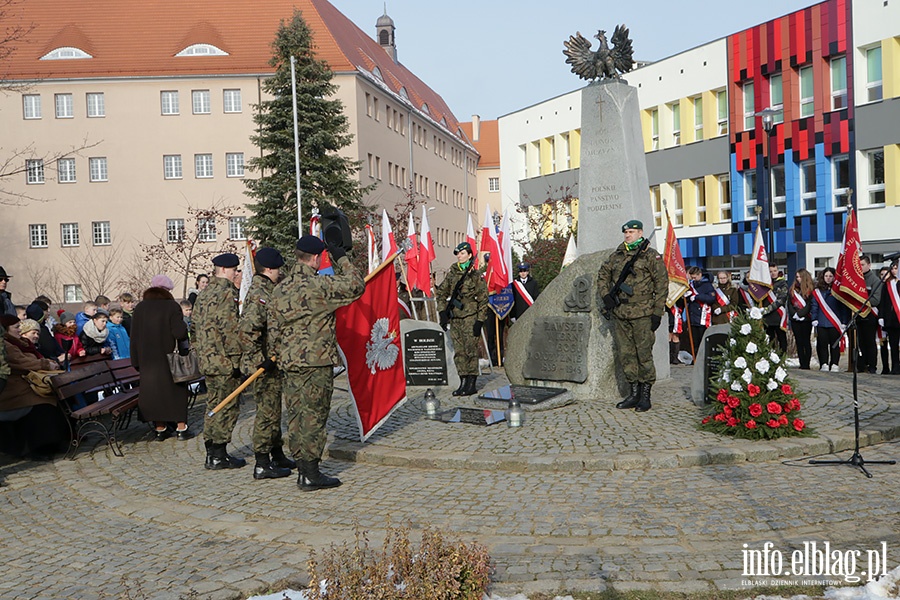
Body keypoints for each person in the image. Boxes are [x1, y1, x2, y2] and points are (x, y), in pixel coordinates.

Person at [269, 235, 364, 491]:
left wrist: (276, 354)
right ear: (316, 258)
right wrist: (341, 257)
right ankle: (310, 473)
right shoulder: (319, 286)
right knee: (313, 417)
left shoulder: (280, 288)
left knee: (297, 416)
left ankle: (302, 468)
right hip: (315, 362)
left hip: (289, 362)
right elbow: (356, 285)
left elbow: (273, 328)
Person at [597, 220, 667, 412]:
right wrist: (606, 295)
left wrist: (657, 313)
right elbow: (603, 275)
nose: (628, 235)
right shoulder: (617, 256)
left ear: (640, 233)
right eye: (626, 232)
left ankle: (645, 395)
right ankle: (633, 393)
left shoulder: (651, 256)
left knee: (643, 354)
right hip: (621, 313)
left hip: (643, 313)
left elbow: (662, 285)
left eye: (632, 232)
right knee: (626, 354)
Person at [239, 247, 295, 480]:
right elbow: (247, 329)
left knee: (274, 411)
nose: (280, 273)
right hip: (263, 367)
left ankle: (276, 453)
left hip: (271, 363)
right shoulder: (260, 293)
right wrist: (257, 360)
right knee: (267, 414)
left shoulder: (267, 289)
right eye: (278, 269)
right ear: (269, 269)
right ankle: (262, 462)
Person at [193, 255, 246, 469]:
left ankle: (211, 452)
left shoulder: (203, 294)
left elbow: (195, 327)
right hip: (224, 360)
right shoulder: (227, 293)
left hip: (208, 359)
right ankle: (219, 454)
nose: (236, 273)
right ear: (223, 269)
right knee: (227, 406)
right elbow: (230, 329)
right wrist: (236, 361)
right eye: (234, 269)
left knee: (213, 405)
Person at [131, 274, 193, 440]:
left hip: (147, 361)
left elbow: (134, 336)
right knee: (176, 392)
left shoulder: (140, 308)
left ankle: (160, 428)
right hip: (169, 359)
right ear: (167, 290)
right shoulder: (171, 306)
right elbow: (179, 333)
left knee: (154, 394)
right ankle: (181, 428)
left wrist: (135, 361)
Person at [0, 315, 68, 461]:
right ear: (6, 330)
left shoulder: (19, 343)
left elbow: (31, 359)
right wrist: (46, 364)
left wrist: (48, 362)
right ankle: (38, 447)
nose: (19, 330)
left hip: (21, 385)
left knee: (52, 398)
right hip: (11, 391)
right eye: (16, 327)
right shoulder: (6, 344)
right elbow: (21, 362)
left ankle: (58, 440)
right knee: (42, 403)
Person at [436, 242, 489, 397]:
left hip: (470, 318)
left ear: (470, 255)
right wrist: (442, 312)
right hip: (456, 318)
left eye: (462, 253)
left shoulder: (475, 275)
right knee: (459, 352)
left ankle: (471, 383)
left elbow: (483, 299)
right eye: (458, 254)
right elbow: (440, 293)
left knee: (470, 351)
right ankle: (462, 382)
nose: (459, 256)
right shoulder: (452, 273)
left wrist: (480, 321)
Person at [810, 267, 846, 372]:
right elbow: (814, 305)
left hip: (835, 322)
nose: (828, 278)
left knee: (835, 345)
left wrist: (844, 321)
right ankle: (824, 363)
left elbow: (843, 307)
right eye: (826, 276)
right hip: (821, 321)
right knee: (822, 344)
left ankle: (834, 363)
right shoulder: (817, 291)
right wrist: (814, 318)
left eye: (831, 276)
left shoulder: (838, 290)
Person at [856, 256, 882, 374]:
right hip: (858, 315)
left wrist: (861, 300)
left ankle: (872, 366)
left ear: (869, 265)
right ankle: (861, 364)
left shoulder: (875, 280)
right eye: (859, 265)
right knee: (860, 342)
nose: (860, 267)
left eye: (862, 264)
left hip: (870, 315)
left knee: (869, 342)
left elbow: (876, 300)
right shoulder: (856, 279)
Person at [683, 267, 716, 357]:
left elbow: (711, 298)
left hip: (703, 317)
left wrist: (697, 297)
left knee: (702, 339)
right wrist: (687, 297)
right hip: (693, 316)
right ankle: (695, 357)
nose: (693, 280)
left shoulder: (707, 285)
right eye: (692, 278)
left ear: (700, 275)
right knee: (694, 341)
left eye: (695, 277)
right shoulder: (692, 285)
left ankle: (702, 358)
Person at [788, 269, 815, 370]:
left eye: (800, 277)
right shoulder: (793, 289)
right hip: (795, 319)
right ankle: (801, 362)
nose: (798, 279)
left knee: (805, 341)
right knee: (798, 341)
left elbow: (809, 304)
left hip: (806, 319)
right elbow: (789, 302)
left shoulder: (810, 289)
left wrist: (800, 314)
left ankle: (806, 364)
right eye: (797, 277)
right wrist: (794, 314)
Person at [763, 265, 789, 353]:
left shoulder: (783, 283)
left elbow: (782, 299)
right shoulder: (764, 284)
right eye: (770, 271)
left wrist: (769, 308)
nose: (773, 273)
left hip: (778, 315)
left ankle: (782, 358)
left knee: (782, 339)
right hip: (767, 317)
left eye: (775, 270)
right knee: (770, 339)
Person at [880, 262, 900, 375]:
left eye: (896, 268)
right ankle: (895, 366)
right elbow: (883, 302)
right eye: (892, 268)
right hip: (891, 320)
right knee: (893, 345)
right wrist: (881, 316)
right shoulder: (888, 285)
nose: (894, 271)